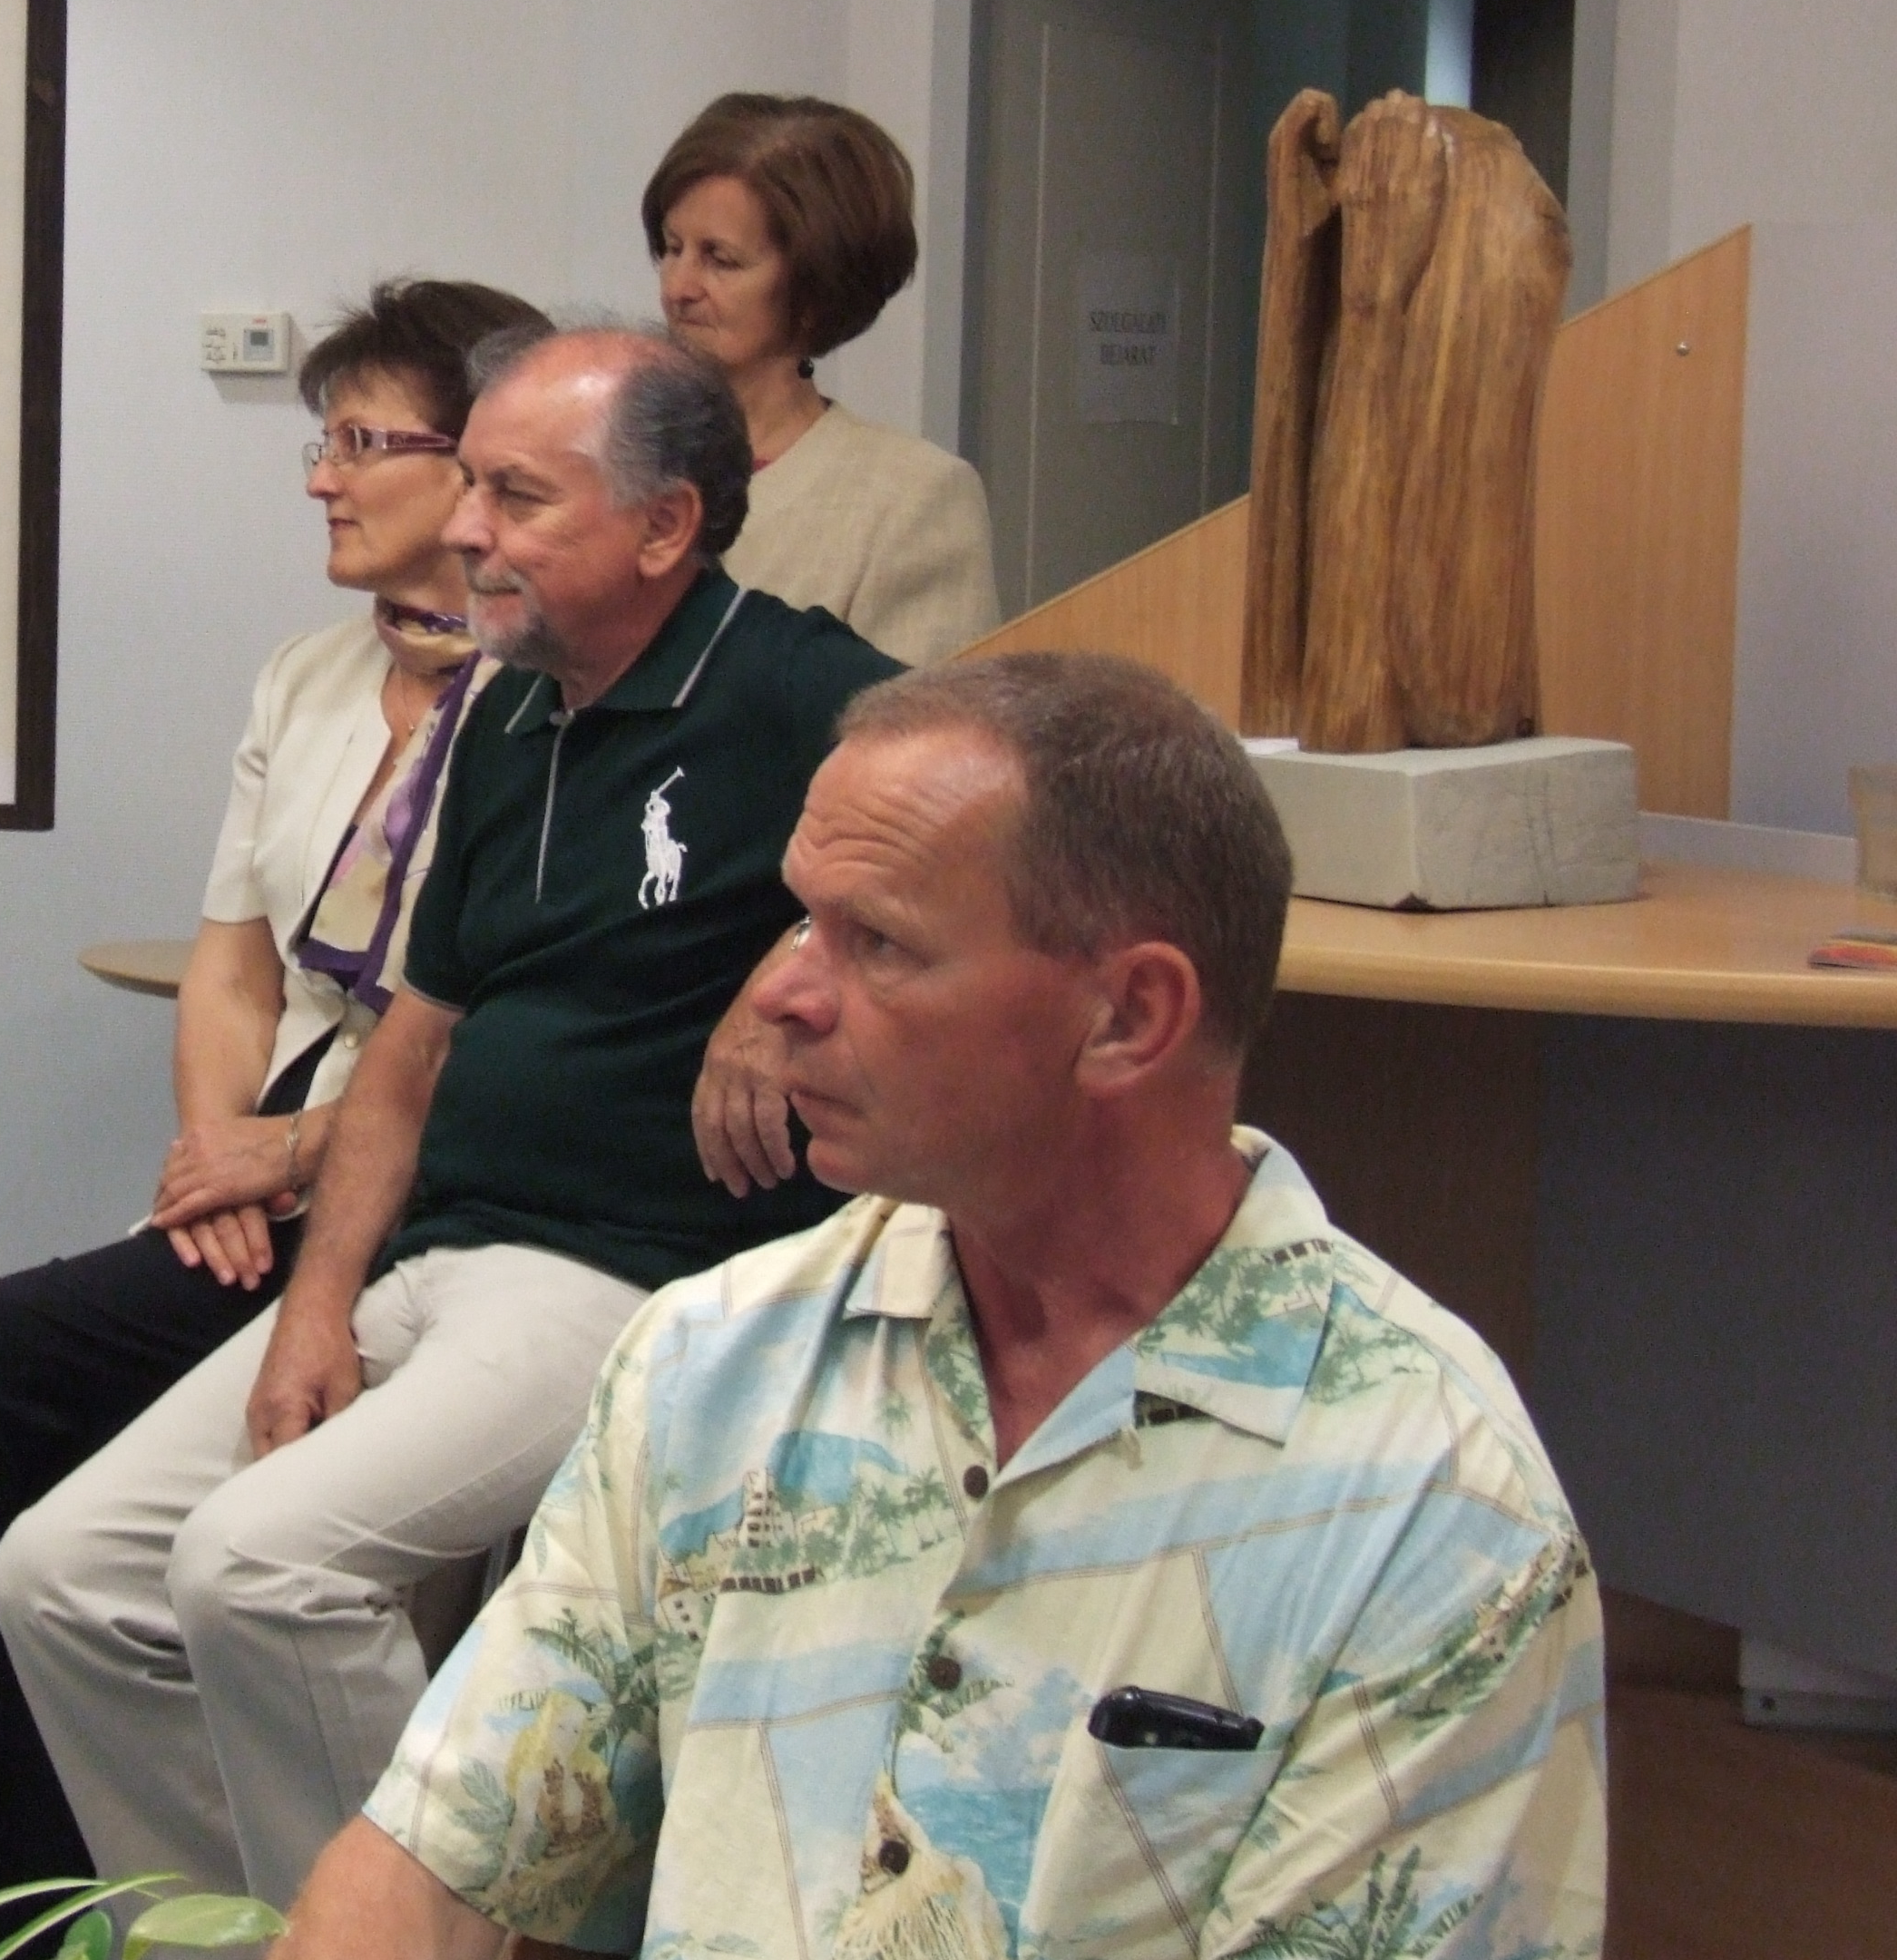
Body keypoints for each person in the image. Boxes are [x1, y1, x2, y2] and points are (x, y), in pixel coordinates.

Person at [286, 652, 1607, 1960]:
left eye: (878, 944)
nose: (781, 994)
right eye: (799, 922)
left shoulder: (1425, 1503)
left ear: (1128, 1017)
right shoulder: (715, 1362)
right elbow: (437, 1859)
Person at [0, 327, 903, 1911]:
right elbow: (408, 1056)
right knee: (62, 1578)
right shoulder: (505, 713)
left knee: (257, 1567)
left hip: (626, 1280)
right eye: (468, 483)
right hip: (430, 1254)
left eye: (515, 496)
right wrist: (315, 1306)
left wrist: (794, 959)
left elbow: (1009, 840)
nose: (465, 530)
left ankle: (406, 1938)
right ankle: (264, 1938)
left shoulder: (798, 690)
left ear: (666, 526)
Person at [0, 278, 543, 1960]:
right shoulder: (307, 679)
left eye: (360, 441)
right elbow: (231, 958)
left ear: (474, 471)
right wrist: (218, 1156)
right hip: (271, 1147)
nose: (320, 477)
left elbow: (500, 1033)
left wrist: (283, 1159)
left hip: (421, 1181)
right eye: (319, 441)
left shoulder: (542, 708)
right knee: (31, 1465)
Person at [646, 91, 1001, 662]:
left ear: (815, 292)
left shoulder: (911, 499)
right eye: (672, 248)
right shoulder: (614, 454)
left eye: (720, 260)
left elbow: (925, 714)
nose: (678, 288)